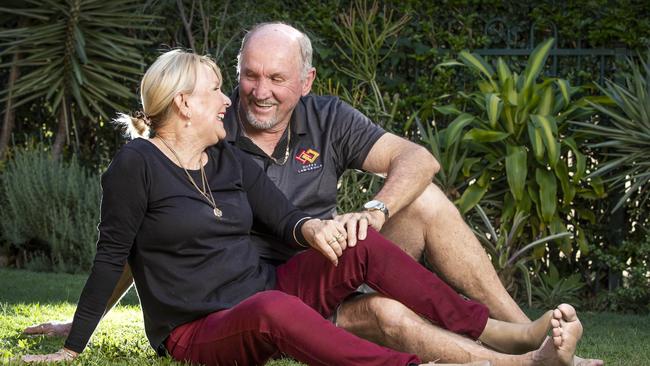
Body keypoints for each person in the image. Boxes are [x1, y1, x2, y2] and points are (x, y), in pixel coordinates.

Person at [24, 23, 602, 365]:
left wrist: (337, 225)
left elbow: (289, 212)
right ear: (185, 103)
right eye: (236, 82)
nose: (244, 96)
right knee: (309, 309)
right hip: (215, 318)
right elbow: (123, 248)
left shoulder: (234, 148)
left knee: (372, 235)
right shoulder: (157, 158)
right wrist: (78, 336)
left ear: (305, 82)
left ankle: (510, 331)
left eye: (273, 80)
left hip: (279, 281)